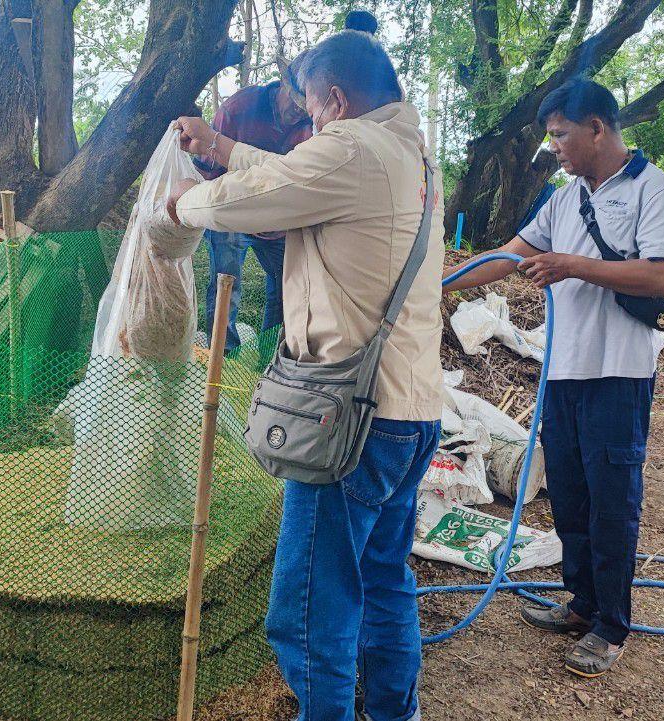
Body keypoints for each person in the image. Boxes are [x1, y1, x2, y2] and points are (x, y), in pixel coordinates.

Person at [167, 30, 444, 721]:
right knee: (382, 578)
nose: (310, 124)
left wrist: (175, 208)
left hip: (352, 421)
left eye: (314, 111)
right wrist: (222, 148)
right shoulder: (411, 153)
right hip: (412, 411)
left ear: (339, 101)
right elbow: (298, 171)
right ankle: (394, 711)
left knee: (308, 606)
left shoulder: (350, 148)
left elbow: (253, 197)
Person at [442, 78, 664, 678]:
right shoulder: (566, 197)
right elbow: (510, 253)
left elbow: (661, 278)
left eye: (560, 135)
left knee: (612, 503)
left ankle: (610, 627)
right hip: (565, 371)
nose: (554, 147)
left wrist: (573, 265)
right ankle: (581, 604)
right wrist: (440, 282)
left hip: (618, 373)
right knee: (570, 494)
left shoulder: (652, 189)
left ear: (597, 127)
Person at [195, 66, 311, 354]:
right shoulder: (240, 106)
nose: (298, 112)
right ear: (283, 85)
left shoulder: (311, 125)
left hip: (275, 219)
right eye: (295, 102)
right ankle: (223, 358)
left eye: (305, 107)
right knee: (226, 282)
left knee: (287, 285)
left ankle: (270, 357)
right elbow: (210, 166)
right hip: (232, 210)